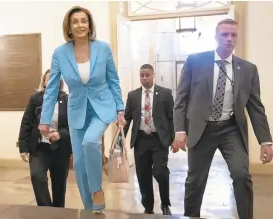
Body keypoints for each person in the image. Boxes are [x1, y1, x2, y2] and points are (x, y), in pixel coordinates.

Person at [172, 19, 273, 219]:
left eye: (233, 35)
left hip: (231, 129)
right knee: (195, 180)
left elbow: (255, 107)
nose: (229, 39)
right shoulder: (195, 61)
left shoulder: (247, 69)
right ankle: (191, 215)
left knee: (241, 175)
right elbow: (181, 99)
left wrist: (266, 140)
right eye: (225, 34)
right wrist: (180, 130)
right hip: (202, 128)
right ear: (216, 36)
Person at [38, 6, 125, 213]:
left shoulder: (103, 49)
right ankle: (91, 208)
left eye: (84, 21)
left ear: (90, 24)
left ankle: (97, 190)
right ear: (69, 26)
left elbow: (113, 81)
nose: (80, 25)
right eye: (75, 21)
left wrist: (120, 109)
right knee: (78, 165)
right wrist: (45, 119)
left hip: (102, 107)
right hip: (77, 110)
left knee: (90, 142)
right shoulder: (60, 53)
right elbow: (51, 89)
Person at [123, 64, 173, 215]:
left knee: (160, 171)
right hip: (141, 140)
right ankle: (148, 206)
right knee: (142, 174)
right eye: (142, 75)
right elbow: (127, 118)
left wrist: (174, 138)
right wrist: (120, 140)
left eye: (147, 75)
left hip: (159, 140)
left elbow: (172, 117)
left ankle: (165, 203)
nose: (144, 78)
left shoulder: (165, 93)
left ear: (153, 75)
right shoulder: (132, 96)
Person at [18, 69, 72, 208]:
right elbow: (26, 122)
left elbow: (73, 126)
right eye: (48, 79)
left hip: (60, 150)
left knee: (59, 186)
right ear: (45, 82)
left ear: (59, 83)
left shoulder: (67, 100)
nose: (51, 81)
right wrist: (23, 147)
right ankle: (47, 211)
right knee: (37, 177)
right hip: (39, 148)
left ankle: (59, 213)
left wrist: (60, 134)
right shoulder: (35, 98)